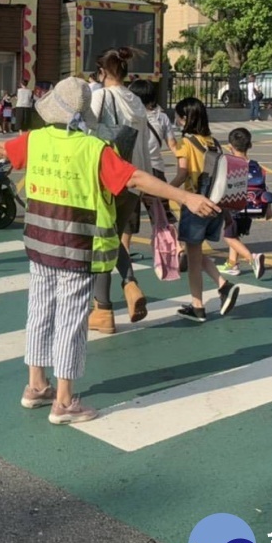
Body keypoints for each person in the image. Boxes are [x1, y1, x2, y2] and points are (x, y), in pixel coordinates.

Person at [0, 77, 218, 425]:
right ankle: (63, 402)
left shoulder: (36, 140)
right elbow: (136, 179)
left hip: (38, 244)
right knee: (70, 323)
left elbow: (4, 150)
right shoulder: (93, 150)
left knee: (39, 312)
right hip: (76, 247)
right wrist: (186, 196)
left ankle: (36, 386)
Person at [89, 48, 152, 333]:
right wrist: (146, 182)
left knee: (101, 243)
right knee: (112, 236)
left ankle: (103, 310)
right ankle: (129, 285)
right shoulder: (136, 101)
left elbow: (85, 134)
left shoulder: (100, 96)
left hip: (108, 177)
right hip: (134, 178)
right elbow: (143, 144)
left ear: (102, 72)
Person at [172, 96, 243, 322]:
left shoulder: (186, 143)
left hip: (195, 204)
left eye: (177, 115)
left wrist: (164, 189)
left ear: (185, 118)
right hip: (215, 205)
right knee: (196, 253)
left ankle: (198, 306)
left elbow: (183, 174)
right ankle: (222, 286)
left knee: (193, 261)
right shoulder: (212, 141)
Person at [218, 127, 269, 280]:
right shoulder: (255, 165)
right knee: (234, 235)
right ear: (250, 145)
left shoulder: (229, 163)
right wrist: (268, 209)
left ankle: (251, 258)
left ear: (229, 146)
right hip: (250, 208)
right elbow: (264, 188)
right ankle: (232, 264)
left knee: (229, 237)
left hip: (232, 208)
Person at [129, 78, 178, 225]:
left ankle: (124, 248)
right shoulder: (161, 117)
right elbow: (173, 145)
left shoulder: (129, 117)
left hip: (132, 171)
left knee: (128, 223)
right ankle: (172, 247)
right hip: (155, 171)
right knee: (162, 218)